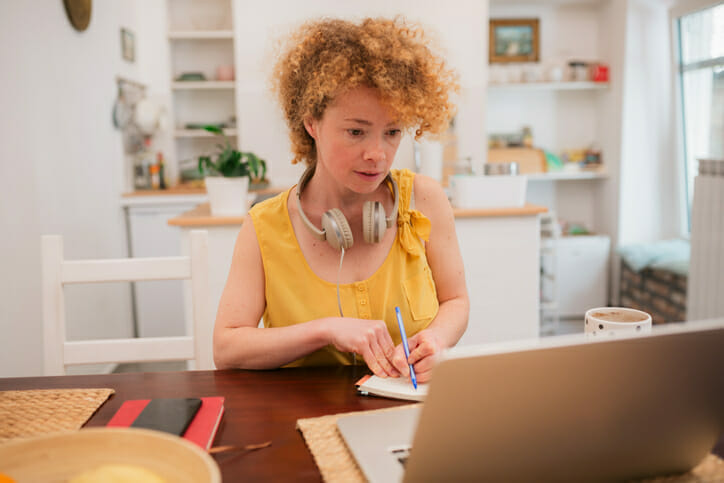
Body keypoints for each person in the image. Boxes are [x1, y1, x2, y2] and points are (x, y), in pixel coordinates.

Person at [213, 17, 469, 383]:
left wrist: (438, 338)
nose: (377, 154)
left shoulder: (424, 200)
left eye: (392, 132)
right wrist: (325, 330)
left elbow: (456, 302)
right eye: (356, 131)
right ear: (311, 123)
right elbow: (226, 348)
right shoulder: (264, 226)